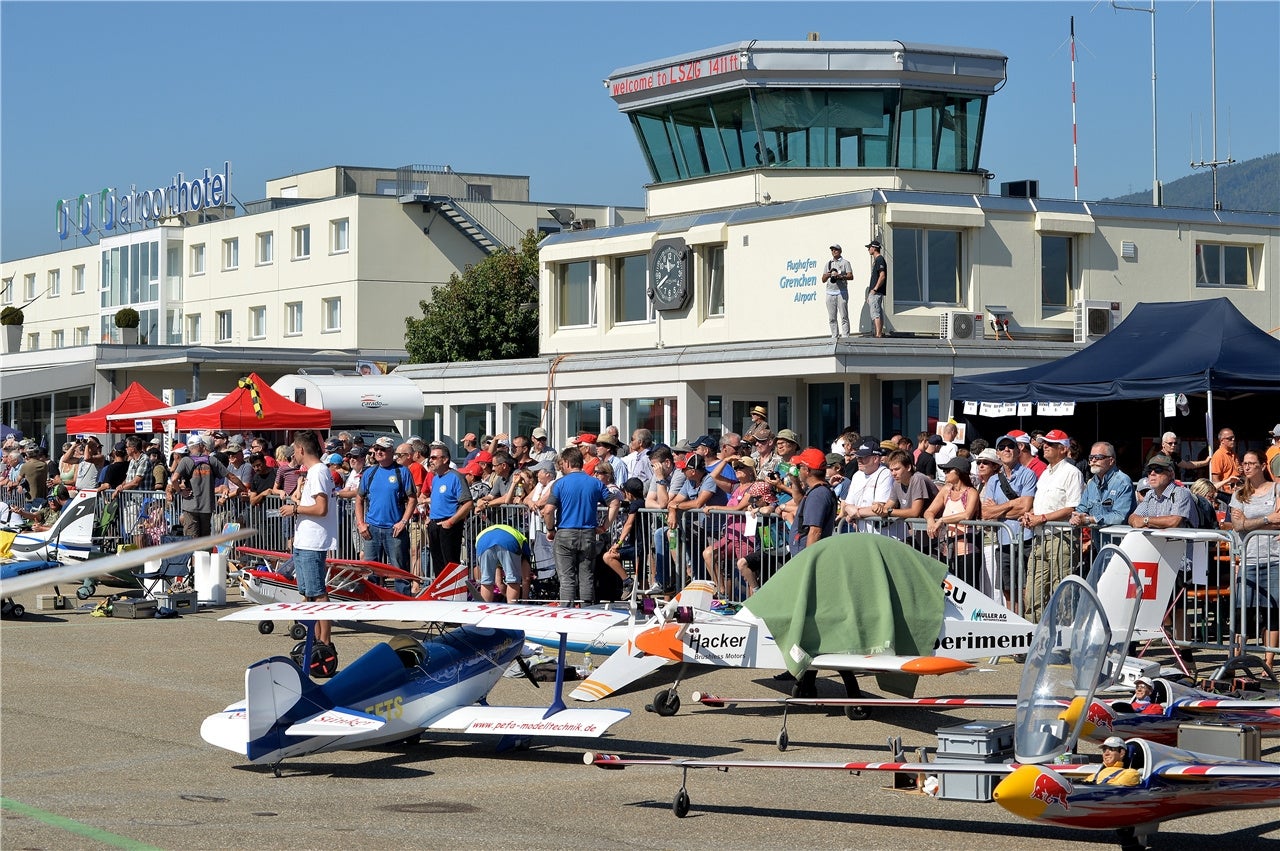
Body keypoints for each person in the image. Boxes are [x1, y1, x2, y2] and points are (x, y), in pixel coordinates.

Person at [279, 431, 337, 653]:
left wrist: (295, 508)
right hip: (305, 540)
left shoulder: (319, 471)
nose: (294, 454)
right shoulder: (314, 472)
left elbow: (321, 508)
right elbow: (315, 503)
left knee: (318, 592)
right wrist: (299, 499)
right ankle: (315, 640)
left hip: (314, 541)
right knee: (309, 592)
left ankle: (325, 642)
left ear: (301, 450)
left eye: (295, 449)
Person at [1020, 429, 1084, 621]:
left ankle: (1063, 642)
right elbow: (1041, 504)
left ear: (1063, 449)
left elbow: (1073, 507)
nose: (1045, 446)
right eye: (1044, 443)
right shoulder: (1045, 473)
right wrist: (1030, 515)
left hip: (1061, 538)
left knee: (1062, 591)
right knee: (1033, 592)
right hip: (1040, 536)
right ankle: (1034, 640)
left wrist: (1042, 517)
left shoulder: (1072, 473)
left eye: (1051, 444)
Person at [543, 446, 612, 604]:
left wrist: (550, 529)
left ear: (567, 463)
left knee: (567, 580)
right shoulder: (595, 483)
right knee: (586, 577)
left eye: (562, 464)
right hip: (588, 534)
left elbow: (548, 511)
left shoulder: (560, 484)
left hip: (565, 533)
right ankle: (588, 611)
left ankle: (567, 615)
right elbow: (614, 502)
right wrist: (605, 525)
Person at [1229, 450, 1279, 668]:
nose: (1247, 467)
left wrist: (1250, 521)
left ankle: (1268, 662)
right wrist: (1267, 519)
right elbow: (1238, 525)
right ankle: (1238, 658)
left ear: (1263, 465)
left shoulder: (1276, 489)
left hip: (1274, 559)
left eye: (1252, 463)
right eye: (1244, 464)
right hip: (1248, 558)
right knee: (1243, 612)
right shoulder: (1239, 494)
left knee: (1273, 611)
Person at [355, 436, 417, 588]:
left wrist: (403, 522)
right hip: (371, 529)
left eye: (382, 449)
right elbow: (359, 498)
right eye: (376, 449)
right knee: (371, 573)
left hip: (394, 530)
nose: (378, 452)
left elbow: (412, 499)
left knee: (400, 573)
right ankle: (372, 605)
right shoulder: (369, 473)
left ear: (391, 451)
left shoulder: (402, 472)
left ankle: (402, 605)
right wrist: (361, 524)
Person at [167, 435, 244, 538]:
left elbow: (174, 479)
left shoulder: (186, 461)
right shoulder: (211, 460)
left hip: (190, 506)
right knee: (205, 539)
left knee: (191, 539)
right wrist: (244, 488)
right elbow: (231, 476)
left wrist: (180, 492)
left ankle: (193, 555)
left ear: (190, 447)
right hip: (206, 506)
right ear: (201, 445)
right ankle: (205, 554)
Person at [924, 457, 981, 580]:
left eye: (948, 470)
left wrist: (942, 520)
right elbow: (929, 511)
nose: (945, 473)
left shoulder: (972, 492)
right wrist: (930, 521)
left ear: (958, 472)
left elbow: (967, 515)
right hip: (948, 549)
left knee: (968, 589)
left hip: (967, 549)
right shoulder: (946, 490)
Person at [424, 443, 472, 582]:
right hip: (434, 523)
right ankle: (441, 595)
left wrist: (451, 521)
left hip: (448, 524)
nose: (430, 461)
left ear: (445, 459)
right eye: (430, 458)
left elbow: (468, 503)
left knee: (450, 564)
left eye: (434, 458)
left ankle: (455, 596)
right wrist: (430, 517)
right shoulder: (435, 478)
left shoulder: (456, 477)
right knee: (438, 564)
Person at [1071, 442, 1136, 529]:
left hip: (1118, 540)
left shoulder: (1123, 482)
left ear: (1111, 461)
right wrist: (1076, 517)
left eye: (1098, 457)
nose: (1093, 460)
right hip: (1097, 540)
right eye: (1091, 457)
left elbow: (1120, 516)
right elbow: (1082, 508)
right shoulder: (1092, 483)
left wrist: (1090, 519)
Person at [1127, 454, 1194, 529]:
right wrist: (1138, 522)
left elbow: (1174, 522)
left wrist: (1146, 521)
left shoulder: (1181, 493)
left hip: (1180, 540)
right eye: (1149, 471)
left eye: (1158, 470)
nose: (1152, 473)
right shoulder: (1150, 494)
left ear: (1171, 474)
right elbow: (1132, 518)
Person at [841, 438, 893, 531]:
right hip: (863, 533)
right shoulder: (857, 475)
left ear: (875, 459)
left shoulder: (886, 474)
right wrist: (850, 510)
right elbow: (847, 505)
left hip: (885, 535)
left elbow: (879, 508)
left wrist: (855, 512)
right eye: (858, 457)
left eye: (863, 457)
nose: (859, 460)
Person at [474, 523, 532, 603]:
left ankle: (485, 609)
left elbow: (499, 583)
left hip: (483, 541)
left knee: (486, 581)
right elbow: (526, 578)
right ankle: (512, 610)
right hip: (509, 540)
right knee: (513, 579)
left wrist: (505, 593)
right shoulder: (523, 541)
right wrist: (525, 601)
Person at [822, 243, 852, 339]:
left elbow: (851, 276)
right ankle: (834, 335)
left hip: (841, 292)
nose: (834, 251)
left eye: (836, 250)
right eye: (832, 250)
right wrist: (829, 274)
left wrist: (840, 276)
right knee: (832, 317)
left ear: (840, 251)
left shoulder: (845, 263)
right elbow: (823, 279)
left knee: (844, 316)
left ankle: (845, 336)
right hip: (830, 293)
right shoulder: (828, 263)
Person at [1209, 427, 1241, 497]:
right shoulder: (1218, 455)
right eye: (1229, 438)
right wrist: (1222, 496)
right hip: (1226, 494)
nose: (1233, 440)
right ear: (1222, 441)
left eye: (1233, 437)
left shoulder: (1234, 454)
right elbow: (1215, 480)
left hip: (1236, 493)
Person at [865, 239, 887, 338]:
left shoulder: (879, 259)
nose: (868, 249)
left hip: (876, 292)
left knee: (875, 312)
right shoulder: (878, 260)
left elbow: (882, 275)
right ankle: (879, 333)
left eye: (869, 248)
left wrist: (874, 289)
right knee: (877, 311)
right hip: (876, 291)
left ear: (874, 248)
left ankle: (878, 334)